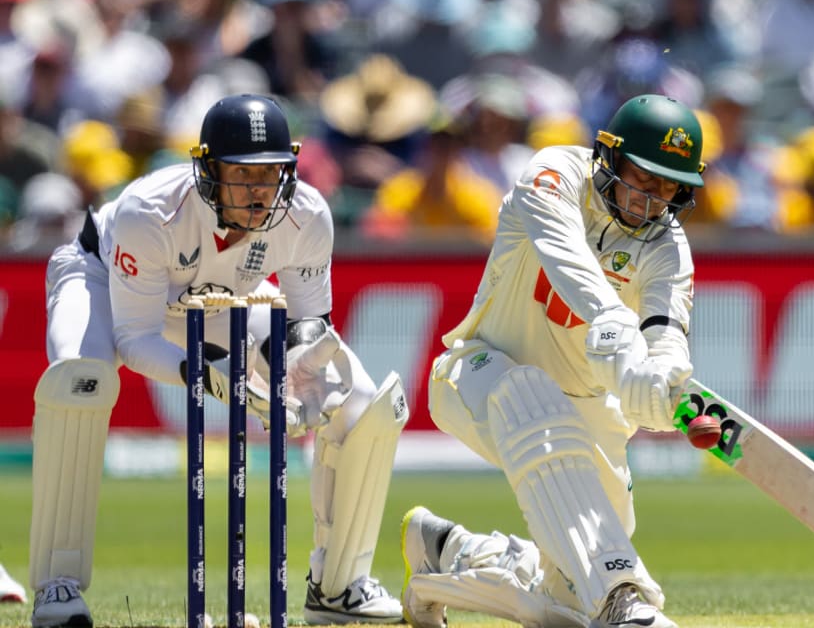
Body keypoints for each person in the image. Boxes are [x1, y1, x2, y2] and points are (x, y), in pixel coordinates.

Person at [28, 94, 406, 627]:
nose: (259, 191)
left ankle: (339, 586)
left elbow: (307, 326)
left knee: (361, 399)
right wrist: (209, 375)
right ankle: (57, 586)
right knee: (80, 380)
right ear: (206, 168)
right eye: (242, 174)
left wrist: (300, 365)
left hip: (223, 297)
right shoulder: (151, 211)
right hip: (104, 277)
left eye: (271, 173)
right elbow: (134, 338)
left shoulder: (307, 216)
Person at [401, 94, 705, 628]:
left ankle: (449, 556)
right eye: (643, 178)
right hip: (477, 372)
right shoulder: (554, 174)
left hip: (589, 411)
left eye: (668, 188)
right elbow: (571, 267)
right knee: (532, 398)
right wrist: (620, 338)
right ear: (609, 157)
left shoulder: (668, 248)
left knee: (564, 593)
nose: (652, 200)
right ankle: (624, 596)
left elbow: (665, 336)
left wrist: (664, 390)